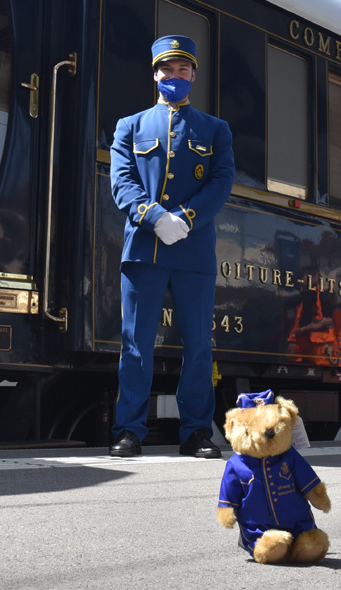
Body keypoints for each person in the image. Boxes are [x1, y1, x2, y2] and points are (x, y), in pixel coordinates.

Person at [108, 35, 235, 458]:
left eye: (182, 70)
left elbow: (221, 182)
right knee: (136, 344)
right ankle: (129, 430)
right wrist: (154, 217)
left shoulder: (215, 129)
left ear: (194, 75)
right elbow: (122, 181)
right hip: (144, 248)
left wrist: (185, 218)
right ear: (155, 74)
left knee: (198, 346)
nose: (174, 76)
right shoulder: (130, 126)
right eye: (167, 69)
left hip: (192, 251)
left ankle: (196, 431)